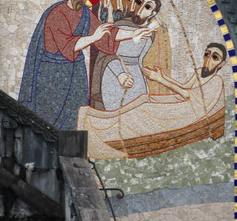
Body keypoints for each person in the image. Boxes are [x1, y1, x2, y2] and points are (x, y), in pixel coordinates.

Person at [18, 0, 152, 130]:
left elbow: (107, 34)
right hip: (52, 73)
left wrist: (133, 34)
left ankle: (75, 154)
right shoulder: (57, 13)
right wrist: (93, 37)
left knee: (77, 118)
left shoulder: (86, 14)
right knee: (48, 117)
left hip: (76, 73)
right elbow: (68, 44)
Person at [77, 42, 227, 159]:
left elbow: (189, 95)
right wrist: (162, 77)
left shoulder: (217, 80)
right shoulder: (199, 72)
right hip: (184, 105)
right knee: (144, 98)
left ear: (221, 64)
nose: (208, 60)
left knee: (144, 108)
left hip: (191, 113)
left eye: (215, 57)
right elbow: (184, 87)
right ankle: (104, 118)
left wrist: (160, 80)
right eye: (207, 54)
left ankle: (103, 129)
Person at [91, 0, 162, 110]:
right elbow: (106, 54)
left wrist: (145, 78)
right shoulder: (119, 26)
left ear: (152, 13)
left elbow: (140, 59)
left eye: (147, 6)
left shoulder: (150, 34)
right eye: (139, 2)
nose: (141, 8)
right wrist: (120, 74)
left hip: (137, 78)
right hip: (114, 74)